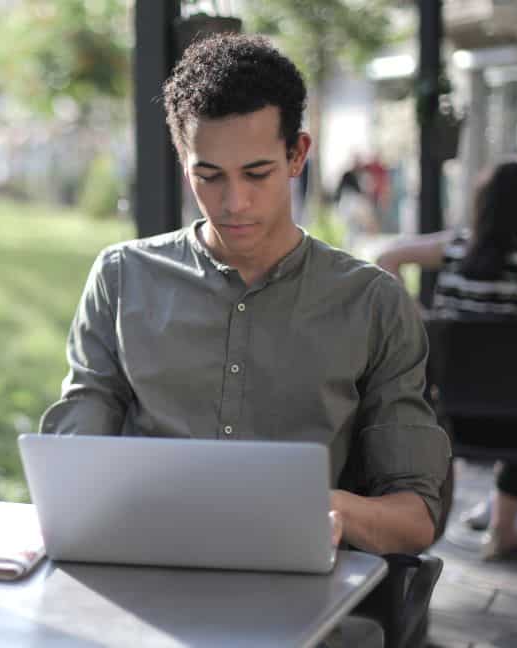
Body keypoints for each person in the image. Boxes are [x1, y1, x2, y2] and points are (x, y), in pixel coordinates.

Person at [41, 34, 450, 560]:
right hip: (144, 575)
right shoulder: (121, 279)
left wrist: (322, 508)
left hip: (303, 599)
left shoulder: (372, 303)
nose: (233, 203)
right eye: (208, 176)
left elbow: (415, 517)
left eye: (257, 174)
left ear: (297, 154)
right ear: (183, 160)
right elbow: (72, 468)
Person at [376, 160, 517, 569]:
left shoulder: (453, 246)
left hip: (447, 415)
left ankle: (511, 527)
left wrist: (419, 317)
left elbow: (386, 257)